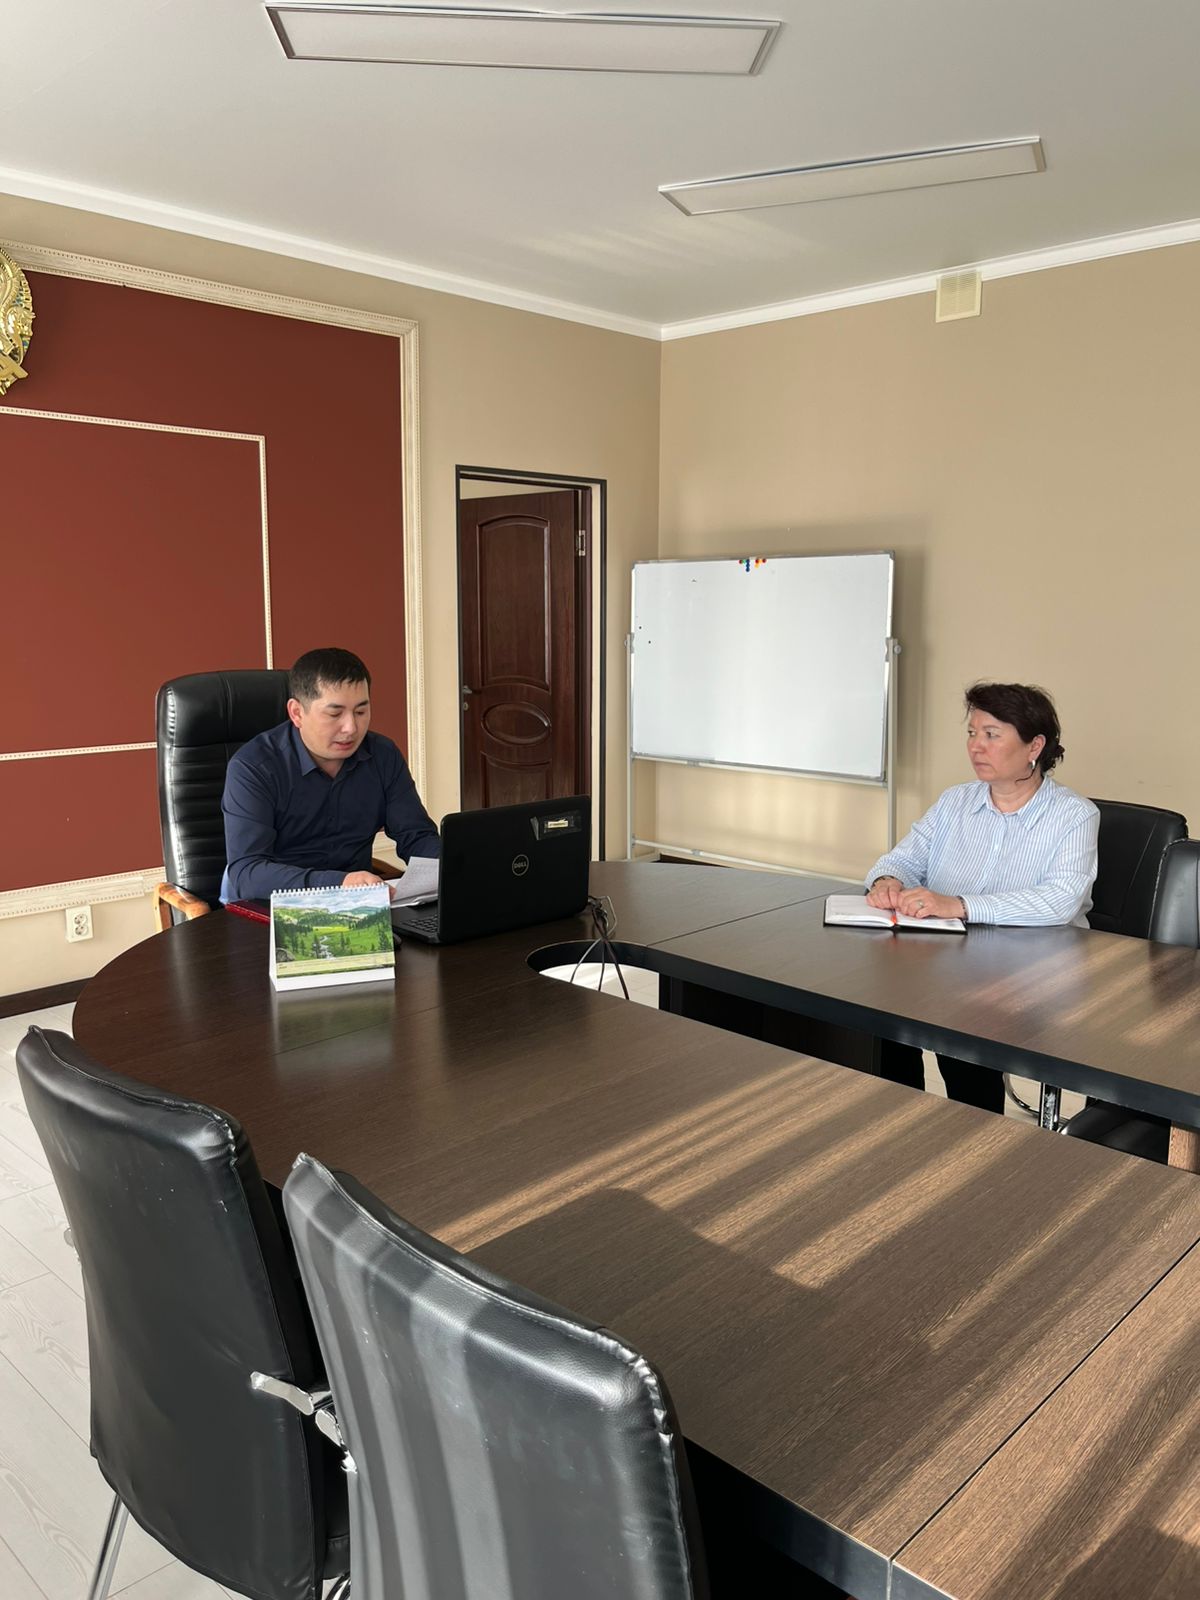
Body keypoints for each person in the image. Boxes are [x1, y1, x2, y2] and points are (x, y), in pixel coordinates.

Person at [862, 682, 1099, 1113]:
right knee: (878, 1019)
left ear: (1035, 746)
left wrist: (959, 905)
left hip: (1029, 971)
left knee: (964, 1031)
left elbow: (1060, 900)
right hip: (946, 959)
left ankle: (974, 1135)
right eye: (972, 733)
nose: (976, 746)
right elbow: (902, 859)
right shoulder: (955, 801)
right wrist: (887, 881)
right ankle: (900, 1123)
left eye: (991, 735)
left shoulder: (1074, 815)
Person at [221, 647, 439, 901]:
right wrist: (339, 883)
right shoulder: (253, 767)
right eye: (335, 714)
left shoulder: (382, 755)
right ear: (297, 713)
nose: (351, 728)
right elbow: (247, 874)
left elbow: (416, 836)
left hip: (356, 904)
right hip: (270, 904)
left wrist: (449, 867)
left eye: (361, 711)